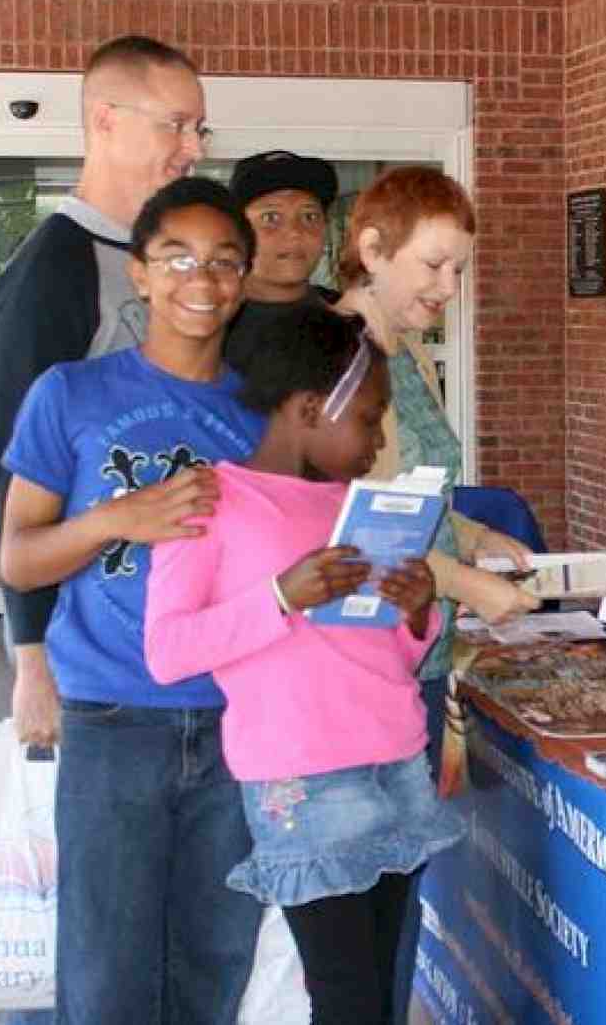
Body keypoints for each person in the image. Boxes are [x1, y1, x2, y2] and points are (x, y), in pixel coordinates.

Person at [144, 305, 463, 1025]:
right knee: (344, 998)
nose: (379, 440)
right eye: (371, 419)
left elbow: (382, 646)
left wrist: (418, 613)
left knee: (379, 986)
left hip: (396, 763)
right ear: (312, 408)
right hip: (304, 784)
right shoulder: (213, 503)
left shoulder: (358, 505)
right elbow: (169, 652)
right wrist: (281, 595)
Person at [0, 177, 266, 1023]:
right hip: (114, 720)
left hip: (236, 723)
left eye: (225, 262)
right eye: (177, 257)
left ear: (246, 281)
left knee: (213, 966)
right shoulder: (70, 395)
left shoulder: (265, 415)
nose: (203, 279)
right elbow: (19, 558)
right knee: (106, 973)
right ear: (140, 275)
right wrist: (120, 519)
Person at [333, 166, 537, 1022]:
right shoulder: (341, 356)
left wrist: (480, 536)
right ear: (371, 251)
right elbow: (360, 527)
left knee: (405, 879)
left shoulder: (406, 347)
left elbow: (424, 495)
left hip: (418, 646)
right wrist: (472, 585)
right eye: (433, 267)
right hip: (365, 658)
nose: (449, 289)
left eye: (460, 270)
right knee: (370, 893)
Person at [0, 35, 208, 757]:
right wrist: (31, 658)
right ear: (106, 120)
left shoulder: (153, 256)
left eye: (199, 128)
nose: (193, 148)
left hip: (166, 635)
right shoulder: (55, 270)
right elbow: (11, 480)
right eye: (174, 124)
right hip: (90, 654)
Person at [222, 149, 342, 374]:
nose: (294, 232)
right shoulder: (210, 323)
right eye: (271, 217)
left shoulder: (349, 318)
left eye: (309, 216)